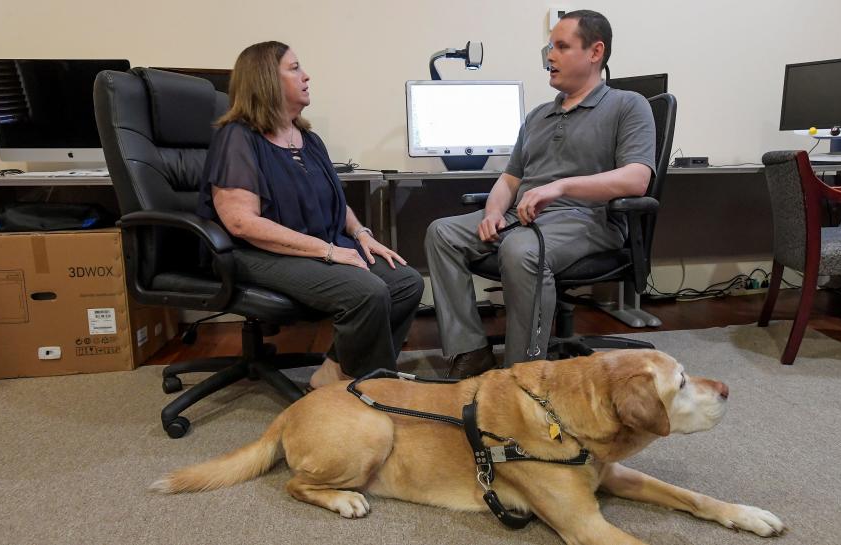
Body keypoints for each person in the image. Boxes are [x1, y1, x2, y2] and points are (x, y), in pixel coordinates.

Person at [425, 10, 656, 378]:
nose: (550, 56)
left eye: (562, 47)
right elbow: (510, 180)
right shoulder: (536, 117)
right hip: (524, 216)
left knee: (521, 249)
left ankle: (523, 375)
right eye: (549, 46)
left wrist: (562, 186)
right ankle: (470, 352)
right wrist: (493, 213)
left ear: (595, 52)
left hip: (585, 218)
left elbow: (637, 179)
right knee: (443, 233)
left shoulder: (628, 105)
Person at [197, 41, 424, 389]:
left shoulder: (308, 138)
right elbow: (241, 222)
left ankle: (340, 369)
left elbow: (334, 200)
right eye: (294, 68)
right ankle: (367, 388)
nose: (306, 76)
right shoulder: (238, 138)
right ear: (265, 80)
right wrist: (327, 251)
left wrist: (363, 234)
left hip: (318, 245)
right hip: (256, 253)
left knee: (406, 282)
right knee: (365, 291)